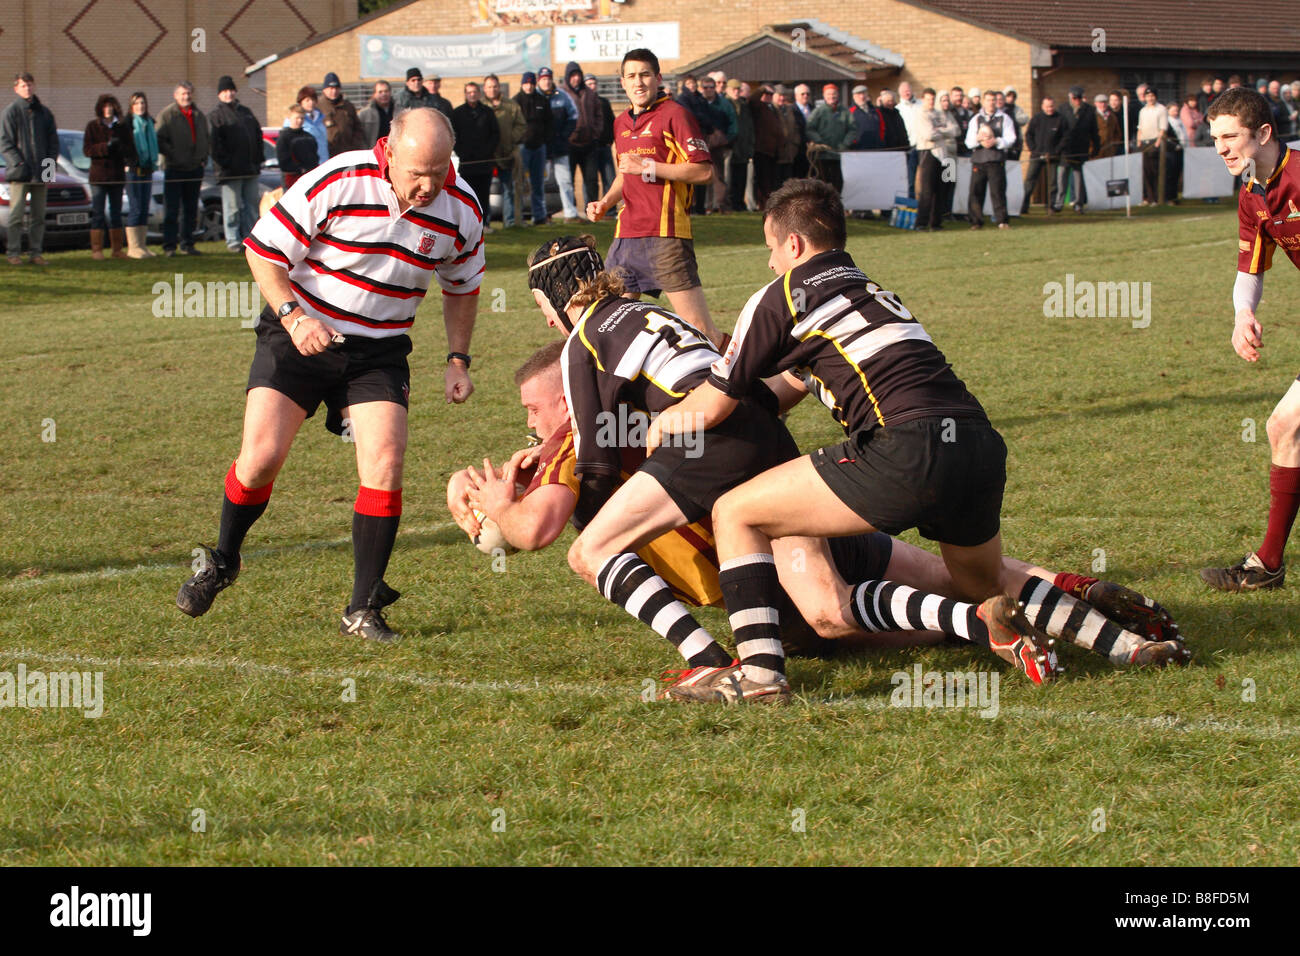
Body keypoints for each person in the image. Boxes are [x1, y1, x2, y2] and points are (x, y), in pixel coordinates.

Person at [648, 179, 1188, 700]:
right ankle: (1128, 646)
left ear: (793, 243)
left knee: (735, 513)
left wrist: (664, 421)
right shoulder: (869, 291)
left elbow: (714, 403)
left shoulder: (783, 293)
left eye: (771, 248)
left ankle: (761, 677)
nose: (769, 261)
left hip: (905, 447)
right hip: (978, 446)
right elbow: (788, 386)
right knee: (984, 581)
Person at [453, 340, 1185, 671]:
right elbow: (772, 386)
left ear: (562, 393)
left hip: (762, 573)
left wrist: (489, 514)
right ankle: (1078, 594)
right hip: (810, 510)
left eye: (530, 406)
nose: (527, 422)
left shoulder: (573, 444)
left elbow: (536, 530)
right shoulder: (664, 393)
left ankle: (975, 629)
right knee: (952, 569)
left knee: (848, 622)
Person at [176, 109, 483, 641]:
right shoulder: (339, 179)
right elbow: (263, 251)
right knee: (260, 459)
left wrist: (458, 359)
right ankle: (224, 560)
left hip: (378, 352)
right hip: (298, 334)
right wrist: (294, 318)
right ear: (389, 149)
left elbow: (463, 286)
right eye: (416, 172)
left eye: (439, 171)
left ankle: (362, 607)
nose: (428, 185)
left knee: (385, 460)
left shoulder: (462, 209)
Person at [1200, 88, 1300, 592]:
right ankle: (1268, 565)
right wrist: (1243, 314)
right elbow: (1250, 268)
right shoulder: (1253, 196)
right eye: (1214, 137)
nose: (1220, 147)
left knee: (1287, 426)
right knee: (1285, 428)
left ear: (1262, 134)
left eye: (1229, 136)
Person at [584, 48, 721, 347]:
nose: (639, 82)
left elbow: (703, 172)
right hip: (626, 237)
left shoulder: (676, 114)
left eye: (645, 74)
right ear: (622, 82)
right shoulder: (620, 123)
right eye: (631, 76)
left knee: (700, 329)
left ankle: (749, 387)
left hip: (666, 236)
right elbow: (625, 174)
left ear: (658, 78)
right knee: (607, 326)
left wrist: (646, 166)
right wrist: (605, 202)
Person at [1, 72, 58, 266]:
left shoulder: (44, 113)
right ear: (16, 89)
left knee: (38, 216)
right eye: (23, 85)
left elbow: (53, 143)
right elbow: (5, 143)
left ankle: (35, 253)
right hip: (20, 174)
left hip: (41, 172)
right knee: (16, 215)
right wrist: (18, 164)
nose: (27, 88)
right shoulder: (11, 112)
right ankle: (13, 253)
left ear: (34, 86)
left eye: (29, 85)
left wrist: (49, 170)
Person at [209, 75, 264, 252]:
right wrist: (225, 164)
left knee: (251, 207)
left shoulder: (246, 112)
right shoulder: (216, 116)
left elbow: (257, 137)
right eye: (225, 91)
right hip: (230, 172)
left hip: (250, 169)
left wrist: (258, 160)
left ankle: (252, 240)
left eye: (231, 90)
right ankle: (233, 241)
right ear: (219, 94)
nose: (229, 94)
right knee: (232, 209)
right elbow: (214, 145)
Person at [155, 81, 210, 256]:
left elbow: (206, 139)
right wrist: (173, 155)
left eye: (188, 93)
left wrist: (203, 158)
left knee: (190, 209)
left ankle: (188, 244)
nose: (186, 97)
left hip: (195, 168)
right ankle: (170, 246)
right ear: (176, 95)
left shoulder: (199, 115)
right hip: (174, 168)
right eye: (182, 94)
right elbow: (160, 140)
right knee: (172, 209)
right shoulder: (167, 115)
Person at [82, 93, 136, 260]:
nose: (108, 110)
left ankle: (117, 249)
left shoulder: (121, 127)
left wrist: (120, 148)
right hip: (98, 177)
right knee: (98, 212)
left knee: (116, 213)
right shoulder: (92, 126)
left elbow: (130, 150)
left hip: (117, 176)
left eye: (111, 107)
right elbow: (87, 150)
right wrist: (106, 147)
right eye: (105, 107)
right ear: (100, 109)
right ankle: (97, 250)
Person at [450, 81, 499, 229]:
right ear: (465, 94)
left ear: (479, 93)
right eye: (469, 92)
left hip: (485, 162)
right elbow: (453, 135)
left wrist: (487, 151)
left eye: (475, 92)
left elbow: (495, 134)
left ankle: (485, 223)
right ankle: (468, 225)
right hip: (467, 163)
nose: (472, 95)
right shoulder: (457, 113)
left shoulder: (488, 112)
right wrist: (461, 152)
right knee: (468, 195)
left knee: (484, 195)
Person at [965, 89, 1012, 229]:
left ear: (996, 102)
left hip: (996, 160)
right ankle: (976, 221)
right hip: (978, 160)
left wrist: (996, 141)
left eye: (993, 100)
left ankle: (1002, 221)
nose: (991, 103)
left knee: (998, 192)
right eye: (988, 100)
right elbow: (968, 142)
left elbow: (1011, 138)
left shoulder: (1004, 118)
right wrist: (979, 139)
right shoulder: (976, 119)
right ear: (983, 102)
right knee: (975, 192)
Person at [538, 66, 580, 221]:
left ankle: (570, 213)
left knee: (565, 182)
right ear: (539, 81)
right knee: (539, 184)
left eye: (548, 78)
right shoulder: (535, 97)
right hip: (541, 148)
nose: (546, 82)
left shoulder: (562, 96)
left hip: (560, 147)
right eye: (543, 79)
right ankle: (542, 215)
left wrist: (564, 135)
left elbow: (574, 115)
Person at [914, 88, 958, 230]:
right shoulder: (921, 114)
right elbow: (929, 135)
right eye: (928, 99)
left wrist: (940, 131)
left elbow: (955, 130)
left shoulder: (939, 113)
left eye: (933, 99)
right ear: (923, 99)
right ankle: (921, 223)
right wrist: (943, 132)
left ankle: (936, 222)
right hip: (928, 152)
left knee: (941, 189)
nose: (931, 102)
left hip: (944, 154)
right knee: (927, 190)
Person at [484, 74, 524, 228]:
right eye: (489, 87)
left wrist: (510, 139)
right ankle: (485, 222)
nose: (492, 89)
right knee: (485, 191)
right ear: (484, 89)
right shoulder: (481, 105)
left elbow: (521, 125)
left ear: (499, 87)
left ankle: (510, 221)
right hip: (487, 155)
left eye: (494, 86)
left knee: (508, 189)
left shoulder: (511, 105)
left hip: (506, 153)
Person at [564, 61, 604, 210]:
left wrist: (595, 133)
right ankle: (572, 211)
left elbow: (599, 115)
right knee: (569, 180)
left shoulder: (590, 93)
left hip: (589, 144)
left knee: (592, 179)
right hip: (570, 145)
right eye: (572, 75)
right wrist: (565, 136)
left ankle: (593, 209)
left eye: (578, 75)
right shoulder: (563, 93)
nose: (576, 78)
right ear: (568, 77)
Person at [514, 71, 552, 225]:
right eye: (526, 83)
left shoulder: (542, 100)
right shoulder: (515, 101)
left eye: (531, 83)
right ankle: (520, 216)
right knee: (520, 183)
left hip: (539, 148)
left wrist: (546, 141)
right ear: (522, 84)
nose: (529, 86)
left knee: (538, 184)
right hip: (522, 147)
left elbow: (549, 123)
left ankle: (539, 216)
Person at [124, 91, 158, 257]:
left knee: (144, 208)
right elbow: (122, 147)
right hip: (133, 171)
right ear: (131, 106)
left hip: (147, 170)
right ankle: (133, 247)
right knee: (136, 207)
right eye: (137, 103)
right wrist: (127, 162)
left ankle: (142, 246)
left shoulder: (150, 122)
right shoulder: (127, 124)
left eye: (142, 103)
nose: (140, 106)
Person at [805, 83, 855, 194]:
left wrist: (845, 144)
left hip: (839, 154)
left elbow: (853, 129)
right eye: (829, 94)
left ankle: (837, 205)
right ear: (824, 95)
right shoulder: (819, 111)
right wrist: (819, 141)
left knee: (838, 182)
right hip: (822, 154)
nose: (831, 96)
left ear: (838, 95)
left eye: (834, 94)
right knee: (822, 182)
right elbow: (809, 128)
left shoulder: (845, 111)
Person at [1021, 96, 1066, 214]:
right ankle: (1024, 206)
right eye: (1047, 106)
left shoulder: (1060, 119)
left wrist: (1056, 151)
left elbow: (1065, 137)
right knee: (1030, 181)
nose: (1049, 109)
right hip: (1036, 155)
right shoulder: (1036, 118)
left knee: (1052, 183)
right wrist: (1033, 149)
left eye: (1051, 106)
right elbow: (1028, 135)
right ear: (1042, 106)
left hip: (1053, 156)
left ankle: (1051, 206)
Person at [1057, 84, 1098, 212]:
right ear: (1070, 97)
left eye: (1079, 98)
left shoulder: (1090, 110)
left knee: (1078, 176)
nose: (1077, 101)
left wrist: (1096, 147)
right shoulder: (1062, 109)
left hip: (1081, 148)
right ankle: (1059, 203)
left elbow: (1094, 130)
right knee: (1062, 176)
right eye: (1075, 98)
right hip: (1066, 148)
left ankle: (1078, 203)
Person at [750, 84, 782, 208]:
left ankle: (769, 202)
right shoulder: (757, 106)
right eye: (766, 95)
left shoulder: (772, 108)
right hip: (761, 149)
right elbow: (753, 98)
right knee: (762, 180)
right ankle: (762, 203)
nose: (768, 97)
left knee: (772, 179)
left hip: (773, 150)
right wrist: (761, 89)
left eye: (771, 95)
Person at [587, 73, 618, 203]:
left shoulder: (604, 102)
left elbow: (613, 122)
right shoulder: (582, 103)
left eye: (594, 83)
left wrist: (610, 140)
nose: (593, 86)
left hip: (605, 146)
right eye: (589, 84)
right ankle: (590, 207)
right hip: (589, 148)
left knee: (610, 179)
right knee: (590, 180)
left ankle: (609, 210)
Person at [319, 72, 366, 156]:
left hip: (347, 153)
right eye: (331, 88)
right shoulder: (318, 106)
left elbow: (358, 127)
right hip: (327, 154)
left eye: (336, 88)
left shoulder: (348, 106)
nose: (334, 91)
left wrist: (355, 144)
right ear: (324, 89)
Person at [1137, 86, 1169, 206]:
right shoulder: (1143, 110)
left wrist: (1157, 142)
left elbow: (1163, 128)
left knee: (1154, 172)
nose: (1150, 98)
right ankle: (1146, 198)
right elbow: (1139, 128)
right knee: (1145, 172)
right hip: (1144, 143)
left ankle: (1155, 198)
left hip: (1155, 142)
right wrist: (1138, 141)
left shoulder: (1161, 109)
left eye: (1152, 96)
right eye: (1148, 96)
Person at [725, 79, 754, 210]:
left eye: (738, 89)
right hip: (730, 146)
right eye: (734, 89)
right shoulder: (725, 104)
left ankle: (739, 203)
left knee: (741, 177)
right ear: (728, 90)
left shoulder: (744, 105)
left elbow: (750, 127)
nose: (736, 92)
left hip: (743, 147)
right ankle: (729, 203)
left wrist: (750, 147)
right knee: (729, 178)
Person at [276, 104, 319, 188]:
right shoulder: (284, 137)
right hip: (291, 178)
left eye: (302, 118)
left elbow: (315, 157)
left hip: (309, 177)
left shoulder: (309, 137)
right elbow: (283, 161)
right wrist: (300, 169)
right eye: (297, 118)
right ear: (289, 118)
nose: (299, 121)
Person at [896, 81, 922, 198]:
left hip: (923, 146)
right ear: (899, 93)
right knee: (910, 179)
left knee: (926, 179)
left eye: (908, 90)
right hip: (909, 148)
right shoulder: (898, 109)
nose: (907, 92)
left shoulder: (921, 105)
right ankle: (911, 204)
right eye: (904, 91)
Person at [295, 87, 329, 174]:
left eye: (313, 100)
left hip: (323, 164)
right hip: (306, 167)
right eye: (307, 100)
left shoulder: (320, 118)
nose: (311, 103)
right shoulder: (295, 118)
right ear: (300, 102)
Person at [358, 81, 394, 148]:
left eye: (386, 91)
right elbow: (359, 136)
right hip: (373, 153)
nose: (384, 94)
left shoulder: (399, 112)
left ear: (390, 92)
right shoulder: (364, 114)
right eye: (380, 92)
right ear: (374, 94)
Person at [1094, 91, 1123, 158]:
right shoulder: (1092, 116)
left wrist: (1113, 146)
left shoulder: (1112, 116)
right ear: (1095, 103)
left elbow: (1117, 133)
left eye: (1105, 102)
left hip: (1109, 151)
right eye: (1100, 102)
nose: (1103, 105)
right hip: (1096, 152)